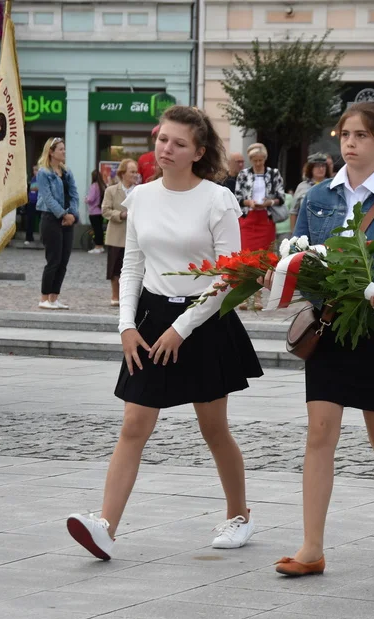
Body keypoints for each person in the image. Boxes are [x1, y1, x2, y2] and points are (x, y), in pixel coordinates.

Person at [66, 105, 262, 560]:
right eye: (162, 140)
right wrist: (127, 326)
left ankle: (239, 515)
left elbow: (228, 275)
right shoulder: (141, 197)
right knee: (134, 423)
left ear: (198, 152)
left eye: (178, 143)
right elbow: (132, 264)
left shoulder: (217, 200)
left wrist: (183, 327)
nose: (166, 149)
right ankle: (105, 526)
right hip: (151, 319)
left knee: (213, 427)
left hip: (206, 321)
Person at [272, 102, 374, 577]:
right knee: (320, 433)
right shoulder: (316, 198)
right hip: (331, 328)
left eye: (360, 135)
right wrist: (295, 280)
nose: (349, 143)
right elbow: (295, 259)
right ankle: (312, 547)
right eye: (344, 134)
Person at [234, 142, 285, 311]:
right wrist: (248, 202)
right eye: (255, 160)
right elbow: (237, 197)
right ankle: (244, 295)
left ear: (265, 159)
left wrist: (269, 202)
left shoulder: (273, 173)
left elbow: (281, 196)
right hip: (249, 219)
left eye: (260, 160)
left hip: (265, 219)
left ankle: (257, 296)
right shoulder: (243, 174)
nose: (257, 163)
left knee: (263, 258)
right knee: (246, 257)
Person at [36, 137, 79, 311]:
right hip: (51, 218)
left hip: (68, 218)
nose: (64, 152)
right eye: (60, 149)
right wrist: (62, 214)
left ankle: (55, 298)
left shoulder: (67, 172)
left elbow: (74, 194)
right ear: (51, 152)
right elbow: (48, 198)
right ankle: (44, 297)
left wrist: (72, 214)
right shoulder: (44, 173)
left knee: (63, 260)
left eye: (64, 149)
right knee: (53, 259)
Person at [101, 159, 138, 307]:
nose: (135, 175)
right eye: (132, 172)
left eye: (136, 171)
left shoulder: (139, 190)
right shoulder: (111, 190)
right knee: (115, 268)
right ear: (123, 173)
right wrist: (121, 215)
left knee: (133, 269)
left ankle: (130, 297)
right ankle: (115, 295)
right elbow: (105, 210)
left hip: (134, 236)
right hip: (116, 235)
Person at [290, 152, 331, 233]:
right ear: (310, 168)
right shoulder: (302, 187)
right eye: (317, 166)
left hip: (326, 230)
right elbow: (293, 212)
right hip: (306, 230)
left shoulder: (332, 186)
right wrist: (293, 234)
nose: (321, 169)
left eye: (323, 166)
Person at [86, 170, 107, 255]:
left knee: (96, 229)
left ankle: (97, 246)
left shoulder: (94, 186)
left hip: (94, 211)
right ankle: (101, 246)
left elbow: (91, 199)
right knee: (100, 229)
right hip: (100, 211)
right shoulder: (102, 186)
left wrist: (86, 199)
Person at [23, 164, 40, 245]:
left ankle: (43, 238)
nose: (35, 172)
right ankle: (29, 237)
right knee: (30, 220)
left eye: (36, 170)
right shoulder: (33, 179)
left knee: (41, 221)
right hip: (31, 202)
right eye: (34, 170)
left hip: (39, 202)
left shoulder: (42, 179)